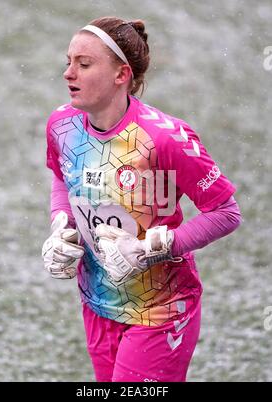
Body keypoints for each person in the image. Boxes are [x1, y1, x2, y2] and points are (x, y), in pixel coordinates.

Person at [42, 16, 242, 382]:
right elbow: (61, 177)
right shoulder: (62, 125)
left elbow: (226, 212)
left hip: (162, 310)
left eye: (84, 64)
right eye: (68, 62)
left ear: (122, 74)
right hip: (97, 304)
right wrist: (62, 225)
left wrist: (157, 245)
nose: (68, 73)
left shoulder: (167, 139)